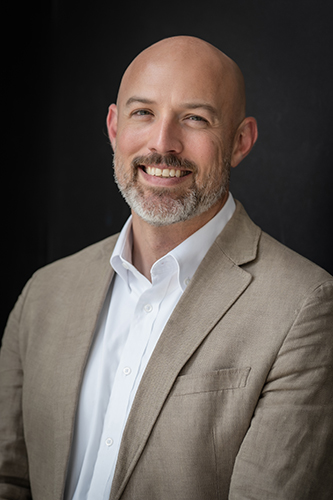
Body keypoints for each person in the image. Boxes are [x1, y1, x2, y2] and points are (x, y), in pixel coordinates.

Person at [0, 35, 332, 500]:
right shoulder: (45, 292)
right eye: (143, 113)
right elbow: (10, 479)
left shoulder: (304, 307)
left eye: (195, 118)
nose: (163, 143)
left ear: (240, 142)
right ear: (114, 128)